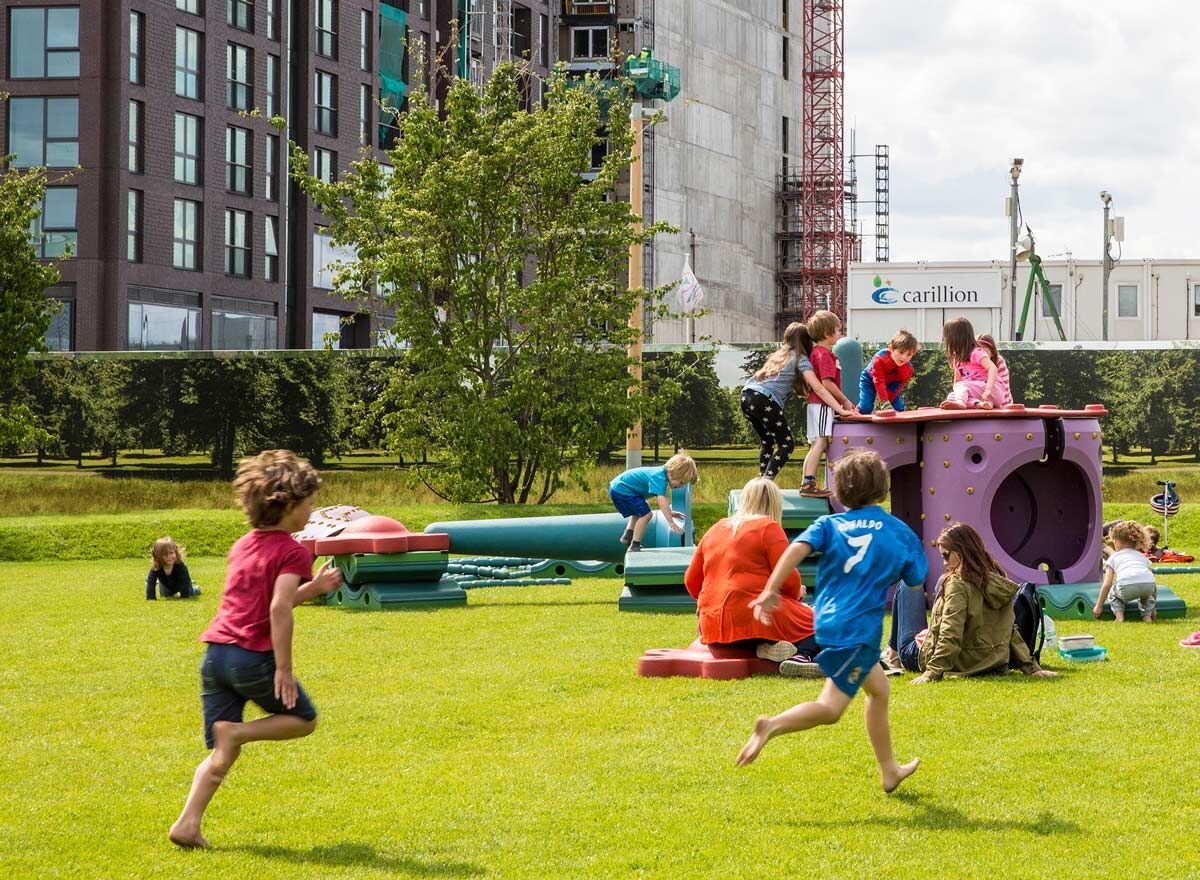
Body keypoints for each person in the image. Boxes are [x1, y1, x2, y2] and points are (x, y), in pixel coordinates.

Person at [168, 450, 343, 849]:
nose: (312, 511)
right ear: (287, 505)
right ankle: (239, 733)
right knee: (304, 720)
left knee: (221, 752)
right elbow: (278, 608)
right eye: (309, 504)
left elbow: (265, 601)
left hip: (216, 657)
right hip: (252, 658)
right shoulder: (292, 549)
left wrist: (312, 589)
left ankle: (187, 824)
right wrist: (283, 668)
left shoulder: (243, 545)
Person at [736, 450, 926, 794]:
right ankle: (771, 725)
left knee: (879, 690)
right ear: (883, 490)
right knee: (831, 708)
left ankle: (889, 771)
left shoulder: (829, 523)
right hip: (857, 632)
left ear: (839, 491)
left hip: (827, 622)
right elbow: (915, 579)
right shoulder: (897, 530)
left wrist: (771, 589)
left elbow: (795, 550)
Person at [883, 522, 1057, 682]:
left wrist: (932, 671)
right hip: (987, 660)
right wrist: (1031, 668)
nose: (944, 562)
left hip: (937, 659)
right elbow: (1010, 630)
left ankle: (894, 655)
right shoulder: (996, 578)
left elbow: (950, 633)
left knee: (908, 583)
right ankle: (896, 652)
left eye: (946, 555)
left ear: (959, 554)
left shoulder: (957, 585)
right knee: (941, 581)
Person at [683, 477, 819, 664]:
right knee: (818, 620)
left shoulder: (716, 528)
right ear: (775, 503)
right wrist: (798, 593)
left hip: (710, 623)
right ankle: (802, 654)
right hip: (755, 613)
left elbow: (691, 581)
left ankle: (763, 647)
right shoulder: (769, 528)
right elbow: (789, 579)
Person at [741, 321, 855, 480]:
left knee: (767, 441)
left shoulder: (779, 355)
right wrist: (841, 408)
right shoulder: (801, 358)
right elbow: (819, 387)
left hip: (747, 396)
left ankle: (761, 478)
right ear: (806, 341)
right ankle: (766, 482)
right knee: (786, 445)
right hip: (765, 400)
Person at [799, 309, 855, 498]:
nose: (840, 333)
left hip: (815, 405)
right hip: (822, 405)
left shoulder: (817, 353)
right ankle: (808, 483)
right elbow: (827, 383)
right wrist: (843, 402)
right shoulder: (824, 355)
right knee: (821, 442)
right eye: (838, 330)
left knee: (817, 443)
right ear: (827, 333)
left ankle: (806, 481)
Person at [608, 452, 698, 551]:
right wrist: (670, 522)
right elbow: (661, 500)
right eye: (681, 482)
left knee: (639, 511)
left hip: (619, 488)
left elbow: (663, 505)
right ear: (672, 473)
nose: (681, 486)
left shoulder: (660, 474)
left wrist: (670, 513)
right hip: (622, 490)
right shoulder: (659, 477)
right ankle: (635, 544)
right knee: (647, 514)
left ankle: (628, 535)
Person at [1094, 520, 1157, 622]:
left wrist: (1099, 606)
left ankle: (1119, 616)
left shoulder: (1113, 558)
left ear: (1117, 542)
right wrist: (1154, 609)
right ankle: (1147, 616)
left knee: (1113, 593)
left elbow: (1107, 584)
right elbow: (1153, 583)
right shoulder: (1142, 557)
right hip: (1148, 585)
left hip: (1126, 587)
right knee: (1146, 596)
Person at [940, 317, 1009, 410]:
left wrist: (988, 389)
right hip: (978, 393)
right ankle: (978, 404)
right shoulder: (957, 359)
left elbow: (993, 368)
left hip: (992, 390)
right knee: (952, 397)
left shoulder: (976, 352)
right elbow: (957, 382)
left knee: (962, 387)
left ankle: (961, 403)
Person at [857, 330, 919, 414]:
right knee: (866, 408)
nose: (904, 357)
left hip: (890, 383)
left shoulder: (908, 370)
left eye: (909, 354)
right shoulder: (879, 359)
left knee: (898, 408)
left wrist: (888, 402)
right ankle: (858, 409)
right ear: (891, 349)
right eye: (901, 352)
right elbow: (878, 381)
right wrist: (884, 401)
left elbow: (897, 387)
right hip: (870, 379)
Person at [145, 536, 198, 600]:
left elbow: (185, 581)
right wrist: (151, 598)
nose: (169, 557)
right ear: (158, 556)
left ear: (176, 552)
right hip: (166, 585)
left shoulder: (180, 566)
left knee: (190, 593)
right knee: (166, 595)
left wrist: (184, 597)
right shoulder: (156, 567)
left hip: (182, 583)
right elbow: (151, 582)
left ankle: (196, 588)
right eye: (165, 555)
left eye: (171, 553)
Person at [975, 334, 1012, 408]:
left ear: (992, 352)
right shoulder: (974, 362)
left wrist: (1002, 407)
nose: (981, 355)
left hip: (1002, 404)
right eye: (978, 351)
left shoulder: (998, 362)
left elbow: (1004, 387)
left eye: (984, 352)